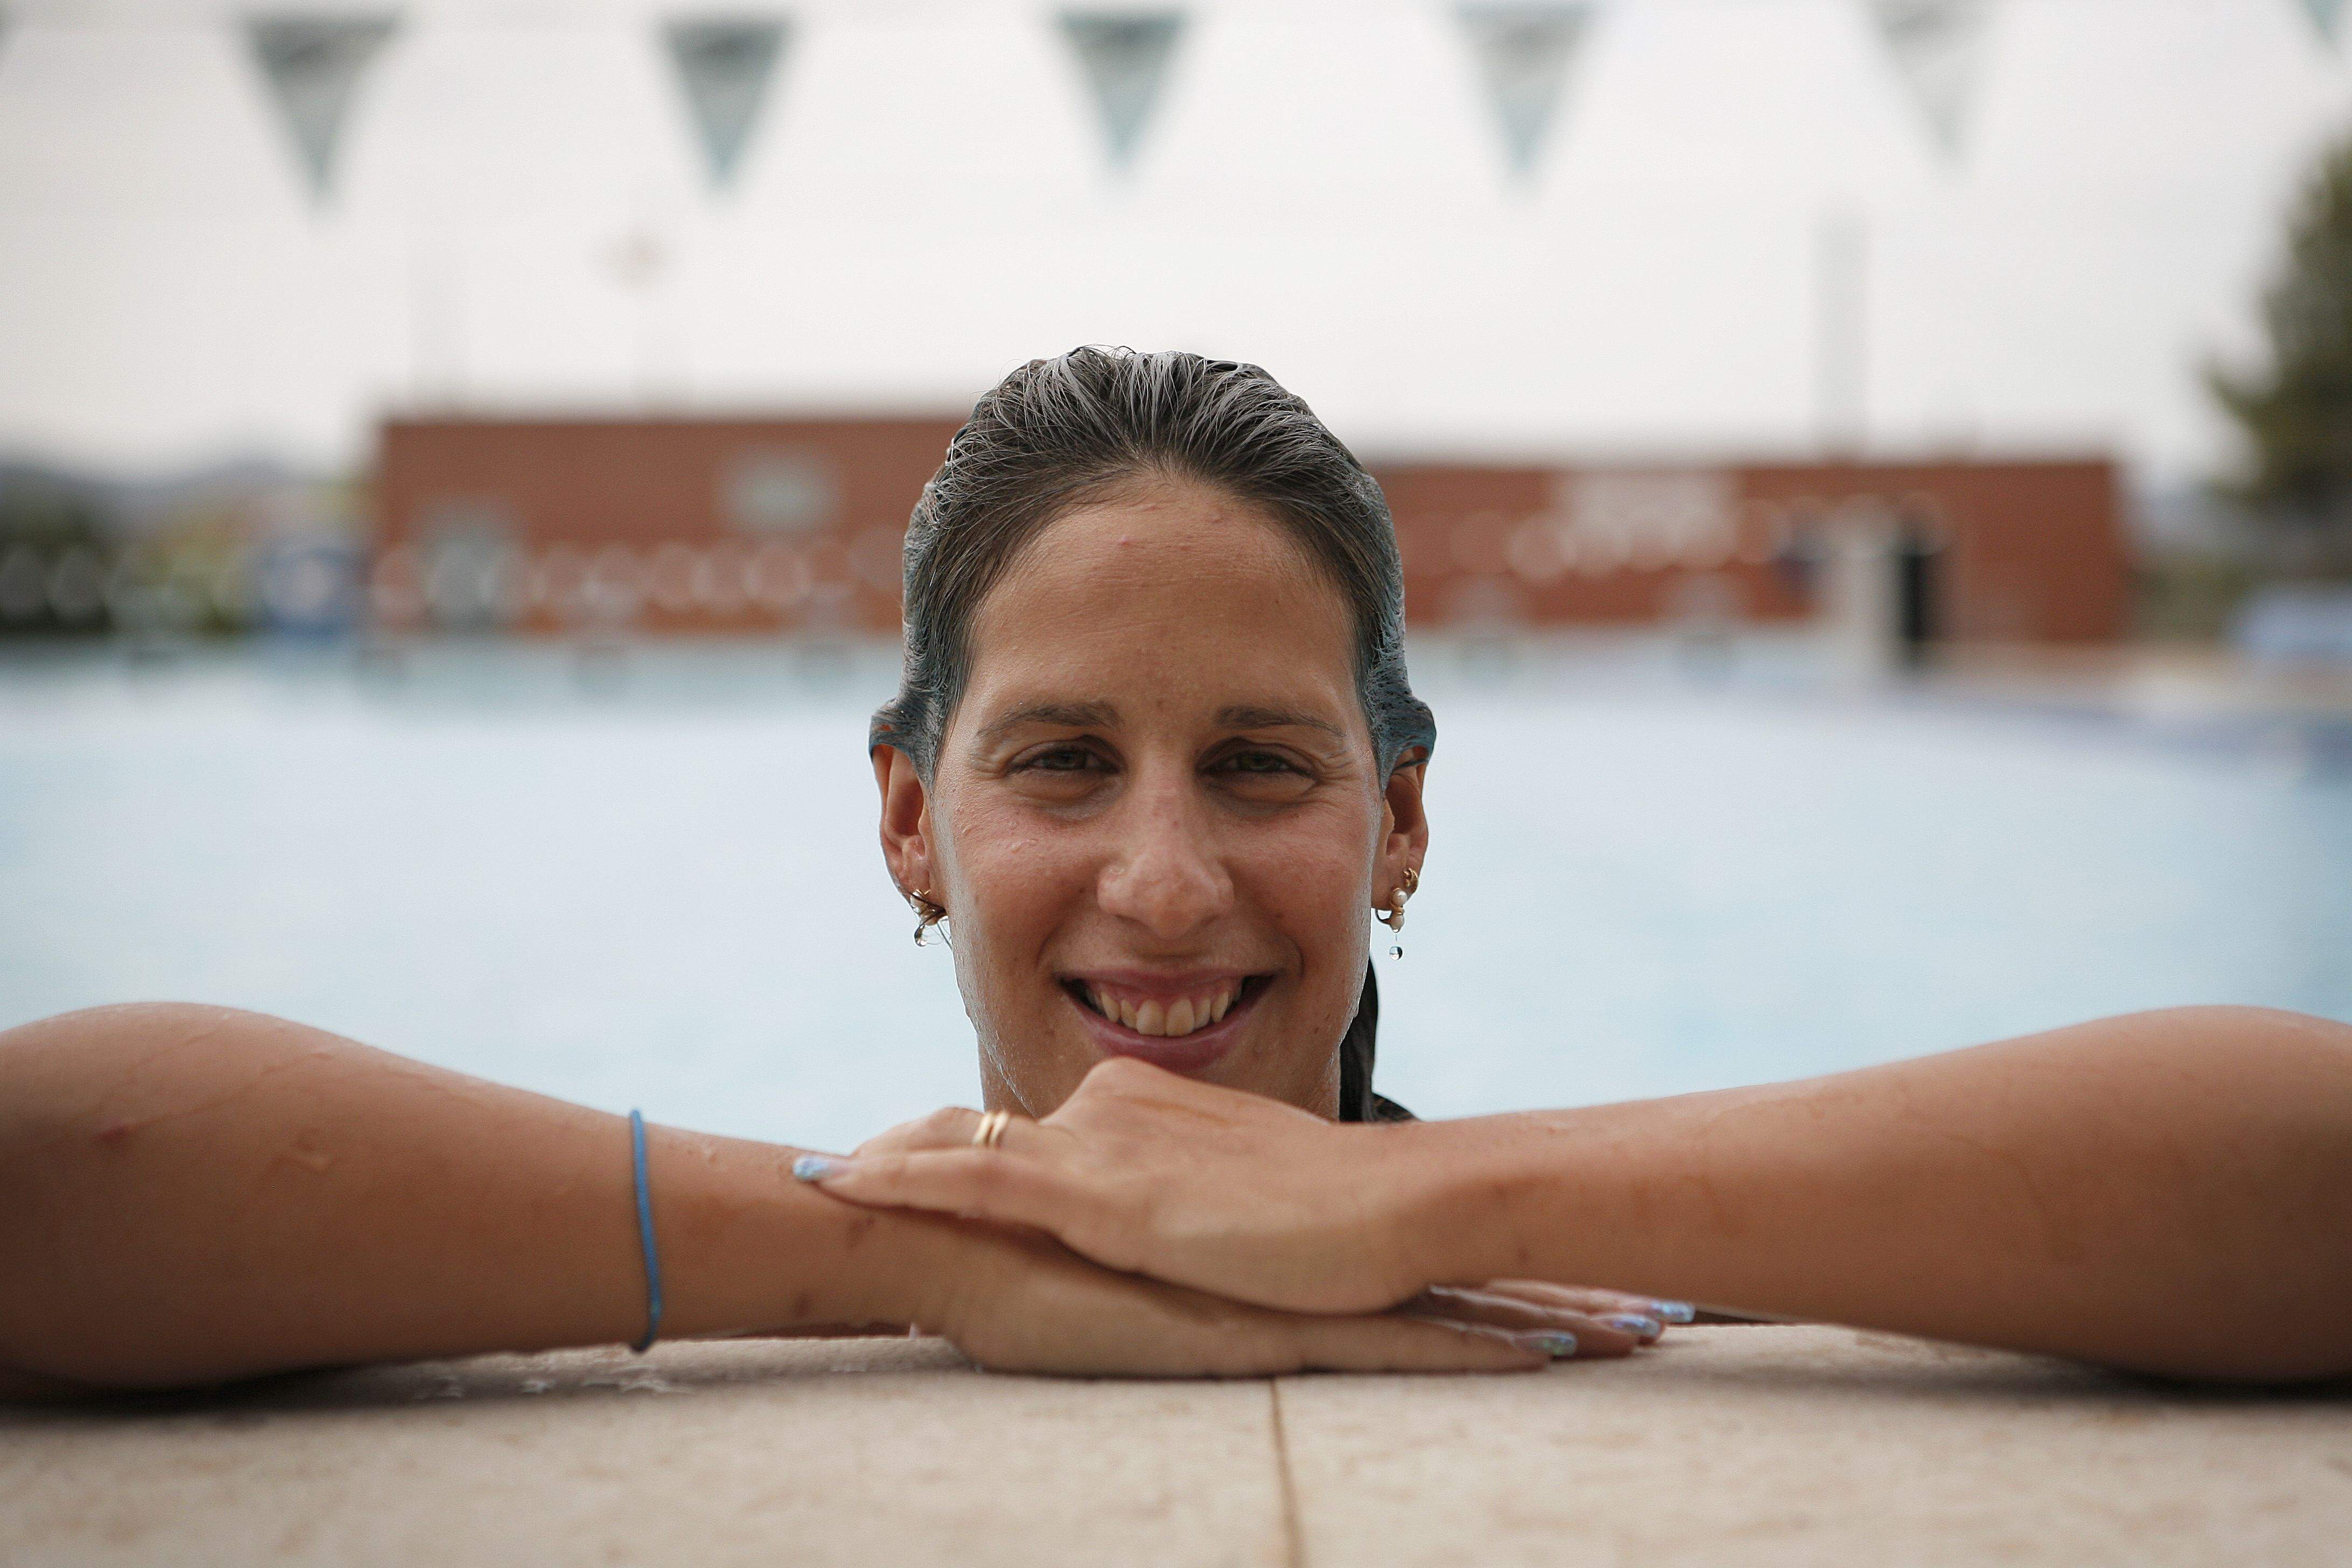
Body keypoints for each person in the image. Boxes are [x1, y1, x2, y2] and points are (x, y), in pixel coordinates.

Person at [0, 347, 1683, 1398]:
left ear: (1401, 821)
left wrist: (1434, 1208)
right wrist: (932, 1247)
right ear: (908, 823)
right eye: (1064, 761)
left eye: (1260, 765)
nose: (1166, 886)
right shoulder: (845, 1267)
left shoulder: (1626, 1289)